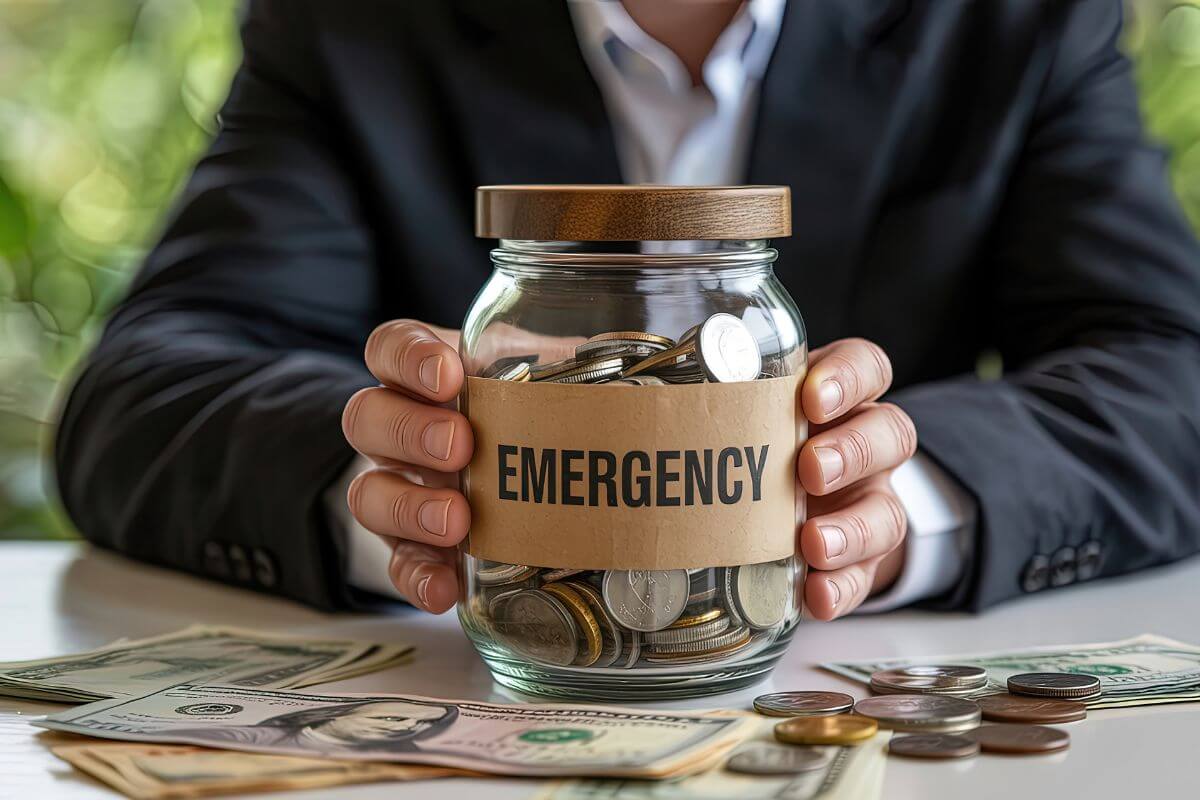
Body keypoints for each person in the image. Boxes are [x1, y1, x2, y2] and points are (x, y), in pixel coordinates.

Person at [55, 0, 1200, 620]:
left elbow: (1172, 371)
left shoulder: (1018, 21)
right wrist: (410, 491)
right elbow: (138, 393)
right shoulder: (355, 26)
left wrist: (877, 503)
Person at [169, 700, 457, 754]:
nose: (411, 727)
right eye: (393, 718)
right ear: (335, 715)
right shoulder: (244, 739)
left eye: (424, 723)